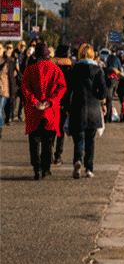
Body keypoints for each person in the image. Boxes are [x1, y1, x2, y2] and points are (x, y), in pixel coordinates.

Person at [21, 41, 67, 180]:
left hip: (34, 111)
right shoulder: (55, 69)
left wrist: (35, 101)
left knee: (34, 141)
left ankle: (36, 168)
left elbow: (25, 88)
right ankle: (46, 168)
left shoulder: (30, 69)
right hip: (50, 111)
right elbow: (62, 87)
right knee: (48, 141)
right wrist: (51, 101)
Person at [68, 44, 107, 179]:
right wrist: (98, 98)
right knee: (91, 140)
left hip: (78, 107)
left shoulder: (74, 69)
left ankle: (77, 160)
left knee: (78, 139)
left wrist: (67, 107)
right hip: (93, 108)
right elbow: (103, 92)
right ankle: (89, 168)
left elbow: (68, 90)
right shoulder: (98, 70)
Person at [51, 44, 73, 165]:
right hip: (64, 102)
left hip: (51, 101)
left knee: (50, 129)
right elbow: (70, 88)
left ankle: (49, 152)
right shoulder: (69, 68)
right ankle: (58, 156)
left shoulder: (51, 66)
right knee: (60, 130)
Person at [0, 43, 15, 138]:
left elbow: (11, 78)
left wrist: (12, 92)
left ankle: (0, 129)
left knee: (0, 110)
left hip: (4, 89)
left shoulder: (8, 61)